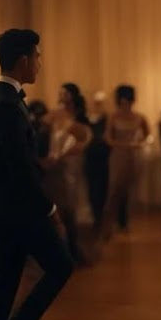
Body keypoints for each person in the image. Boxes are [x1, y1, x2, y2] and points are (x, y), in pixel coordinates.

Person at [0, 28, 74, 320]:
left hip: (7, 207)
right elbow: (21, 169)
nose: (40, 64)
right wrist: (50, 210)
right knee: (60, 265)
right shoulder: (5, 105)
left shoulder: (3, 97)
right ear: (23, 61)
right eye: (37, 57)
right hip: (15, 210)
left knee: (4, 283)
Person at [47, 83, 94, 261]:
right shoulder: (54, 114)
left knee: (72, 204)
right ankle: (59, 249)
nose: (62, 96)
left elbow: (85, 140)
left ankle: (73, 249)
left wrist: (65, 153)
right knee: (58, 205)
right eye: (61, 93)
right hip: (56, 164)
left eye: (66, 93)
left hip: (72, 163)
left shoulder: (79, 117)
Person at [101, 85, 149, 238]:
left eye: (127, 100)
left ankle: (125, 222)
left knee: (129, 191)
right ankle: (107, 225)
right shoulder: (113, 116)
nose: (124, 103)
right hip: (118, 155)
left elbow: (149, 136)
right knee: (114, 189)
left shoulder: (140, 117)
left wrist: (140, 143)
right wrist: (121, 144)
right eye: (122, 100)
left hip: (134, 155)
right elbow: (107, 137)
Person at [83, 91, 111, 230]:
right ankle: (96, 216)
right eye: (96, 102)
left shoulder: (107, 118)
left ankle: (101, 217)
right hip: (89, 156)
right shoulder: (87, 118)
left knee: (103, 188)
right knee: (92, 188)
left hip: (104, 157)